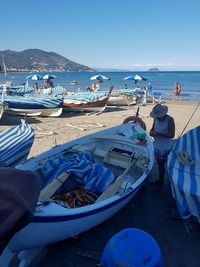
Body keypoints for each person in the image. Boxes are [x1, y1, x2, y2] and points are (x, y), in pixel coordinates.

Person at [149, 104, 175, 190]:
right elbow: (152, 130)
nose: (158, 118)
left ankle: (161, 182)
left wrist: (159, 133)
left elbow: (172, 135)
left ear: (163, 114)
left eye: (159, 116)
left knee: (162, 164)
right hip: (156, 145)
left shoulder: (170, 120)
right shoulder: (155, 119)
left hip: (165, 147)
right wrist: (152, 133)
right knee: (160, 164)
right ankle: (160, 180)